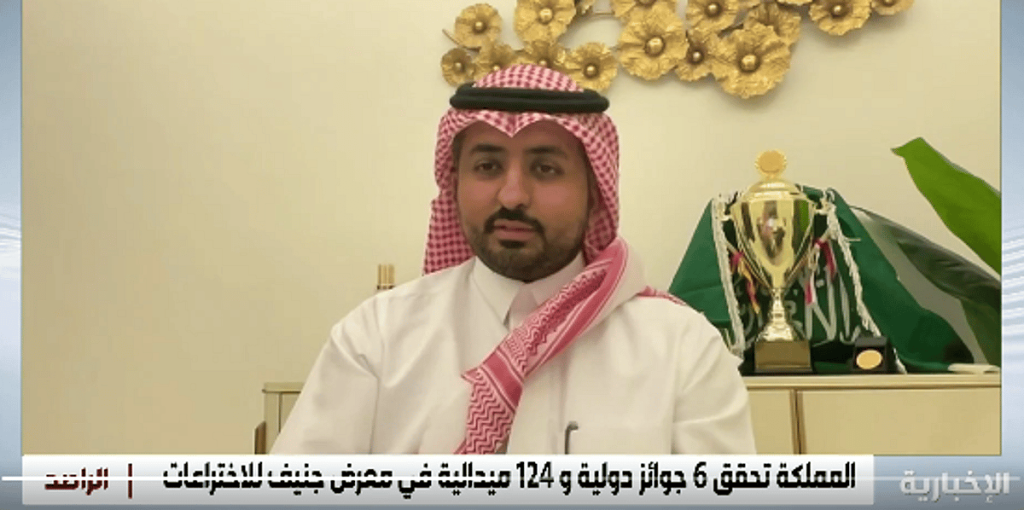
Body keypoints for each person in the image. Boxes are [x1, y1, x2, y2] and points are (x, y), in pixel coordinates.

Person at [272, 64, 756, 454]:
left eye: (545, 168)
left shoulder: (681, 348)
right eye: (487, 166)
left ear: (595, 192)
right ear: (455, 183)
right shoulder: (377, 338)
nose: (512, 195)